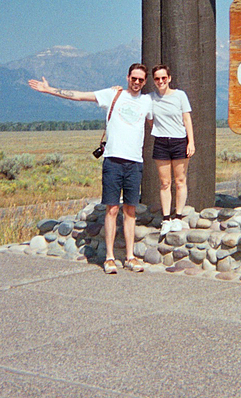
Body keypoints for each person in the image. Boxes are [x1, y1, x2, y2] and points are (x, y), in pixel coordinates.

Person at [28, 64, 153, 274]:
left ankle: (131, 256)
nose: (137, 82)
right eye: (134, 78)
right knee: (112, 209)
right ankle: (110, 258)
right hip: (113, 160)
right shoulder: (113, 95)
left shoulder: (147, 101)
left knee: (130, 211)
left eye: (141, 80)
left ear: (145, 81)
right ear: (128, 77)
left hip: (134, 162)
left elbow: (163, 114)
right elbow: (79, 96)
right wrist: (50, 90)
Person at [149, 64, 195, 235]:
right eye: (157, 79)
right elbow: (149, 119)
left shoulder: (180, 96)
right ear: (154, 81)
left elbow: (187, 119)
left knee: (180, 180)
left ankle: (178, 217)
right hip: (161, 142)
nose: (160, 81)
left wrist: (190, 142)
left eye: (163, 78)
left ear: (169, 78)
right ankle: (166, 218)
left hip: (179, 141)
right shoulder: (151, 98)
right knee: (164, 182)